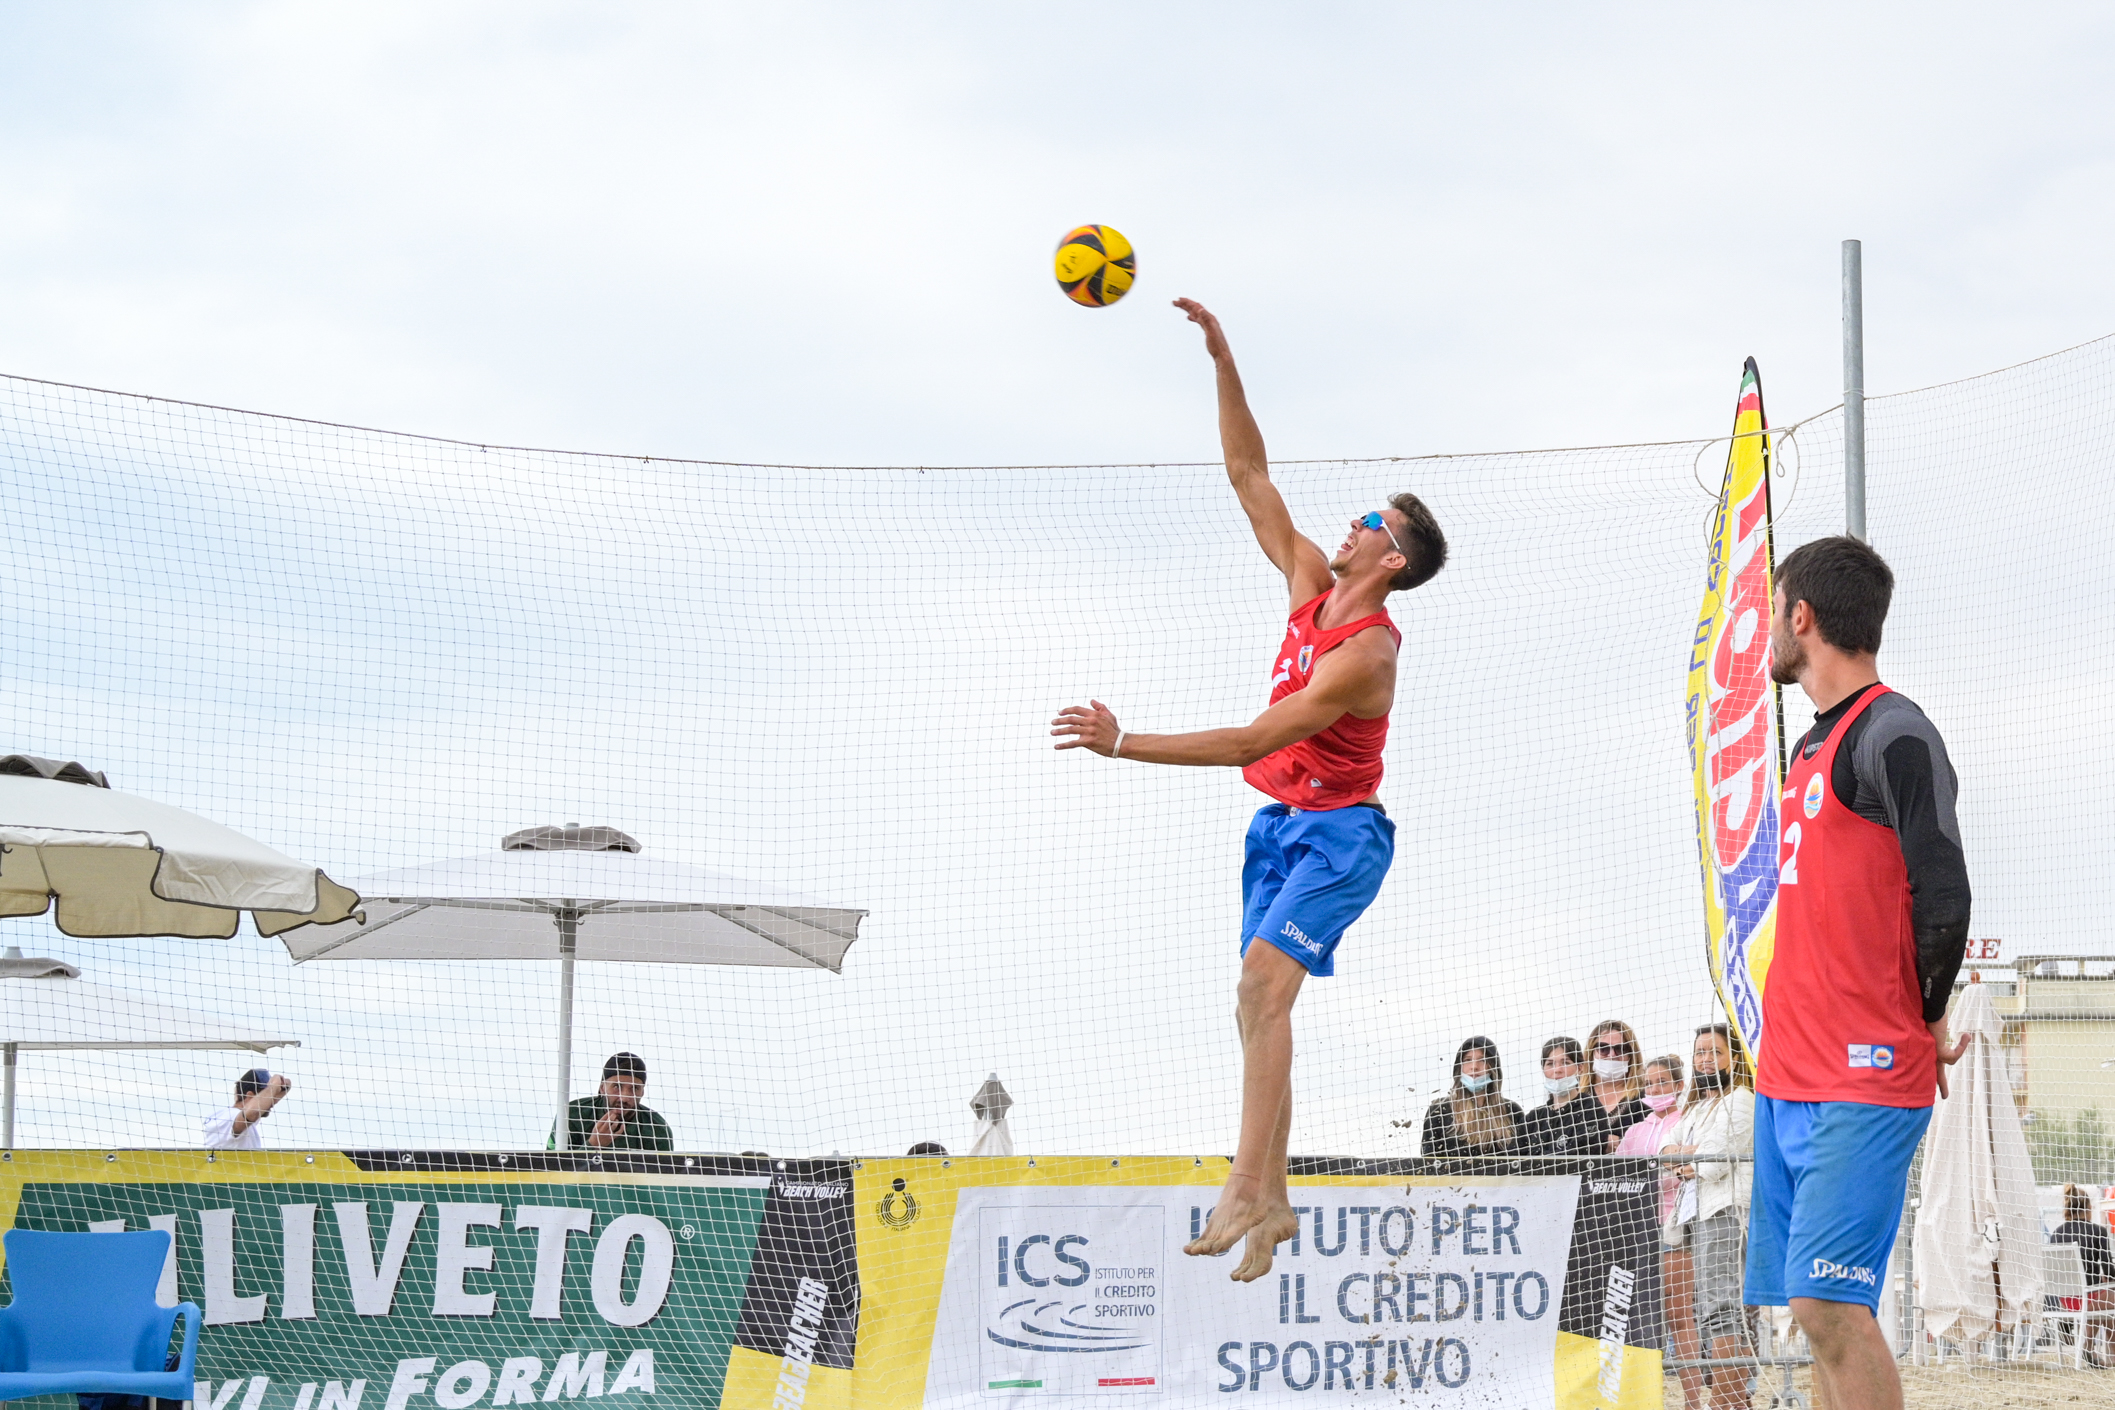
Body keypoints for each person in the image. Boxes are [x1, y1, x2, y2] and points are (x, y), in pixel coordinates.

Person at [1051, 298, 1447, 1283]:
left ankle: (1248, 1187)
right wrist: (1224, 360)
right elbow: (1248, 474)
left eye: (1366, 520)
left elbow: (1250, 738)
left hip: (1343, 837)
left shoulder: (1364, 657)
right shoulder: (1310, 582)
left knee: (1262, 990)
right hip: (1279, 826)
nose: (1345, 524)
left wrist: (1124, 742)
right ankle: (1270, 1201)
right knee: (1257, 1009)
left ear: (1388, 557)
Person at [1746, 536, 1972, 1410]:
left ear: (1800, 617)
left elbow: (1943, 893)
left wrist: (1923, 1014)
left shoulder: (1894, 731)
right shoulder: (1808, 747)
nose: (1769, 627)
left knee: (1827, 1299)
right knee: (1813, 1314)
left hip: (1864, 1072)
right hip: (1789, 1073)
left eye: (1773, 609)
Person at [1668, 1025, 1755, 1410]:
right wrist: (1689, 1155)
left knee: (1722, 1309)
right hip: (1694, 1216)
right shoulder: (1697, 1107)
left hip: (1724, 1213)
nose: (1705, 1060)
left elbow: (1714, 1161)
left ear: (1733, 1058)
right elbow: (1663, 1150)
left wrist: (1688, 1157)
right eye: (1699, 1052)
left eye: (1714, 1052)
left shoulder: (1742, 1100)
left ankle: (1728, 1402)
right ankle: (1734, 1401)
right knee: (1706, 1311)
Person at [1618, 1056, 1697, 1408]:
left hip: (1674, 1226)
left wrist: (1664, 1172)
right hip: (1635, 1232)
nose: (1654, 1090)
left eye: (1662, 1082)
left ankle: (1694, 1400)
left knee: (1679, 1316)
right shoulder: (1635, 1130)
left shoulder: (1687, 1121)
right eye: (1649, 1084)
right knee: (1634, 1318)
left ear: (1679, 1086)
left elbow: (1686, 1169)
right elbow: (1620, 1174)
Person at [1419, 1036, 1524, 1158]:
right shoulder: (1439, 1112)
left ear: (1493, 1067)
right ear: (1460, 1067)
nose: (1474, 1066)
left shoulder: (1511, 1111)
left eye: (1482, 1060)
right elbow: (1429, 1163)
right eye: (1468, 1060)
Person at [548, 1052, 674, 1152]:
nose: (624, 1098)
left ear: (642, 1092)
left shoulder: (657, 1128)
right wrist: (593, 1145)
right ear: (602, 1088)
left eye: (634, 1088)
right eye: (617, 1087)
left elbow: (663, 1181)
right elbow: (550, 1172)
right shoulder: (572, 1115)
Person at [2050, 1184, 2114, 1367]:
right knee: (2111, 1299)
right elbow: (2109, 1270)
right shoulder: (2098, 1231)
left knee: (2107, 1300)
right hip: (2089, 1298)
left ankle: (2093, 1349)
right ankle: (2094, 1347)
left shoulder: (2057, 1234)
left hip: (2065, 1299)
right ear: (2087, 1208)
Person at [1517, 1037, 1606, 1156]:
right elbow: (1513, 1158)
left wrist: (1534, 1155)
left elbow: (1577, 1155)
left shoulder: (1591, 1110)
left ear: (1580, 1068)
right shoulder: (1534, 1118)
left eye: (1565, 1063)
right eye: (1550, 1064)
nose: (1557, 1070)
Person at [1585, 1019, 1649, 1151]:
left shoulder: (1646, 1097)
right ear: (1591, 1053)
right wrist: (1602, 1141)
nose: (1612, 1054)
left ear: (1631, 1055)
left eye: (1621, 1049)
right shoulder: (1575, 1098)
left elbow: (1653, 1141)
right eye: (1603, 1048)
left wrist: (1621, 1144)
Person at [202, 1068, 290, 1150]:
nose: (270, 1103)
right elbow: (253, 1111)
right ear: (250, 1096)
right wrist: (272, 1086)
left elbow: (258, 1107)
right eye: (265, 1096)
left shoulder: (233, 1116)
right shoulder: (230, 1116)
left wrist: (281, 1085)